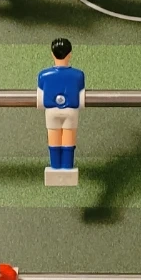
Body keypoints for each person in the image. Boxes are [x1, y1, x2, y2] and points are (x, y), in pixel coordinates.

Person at [37, 37, 85, 185]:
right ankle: (67, 166)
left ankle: (55, 166)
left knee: (54, 139)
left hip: (51, 112)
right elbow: (81, 99)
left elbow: (40, 100)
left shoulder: (43, 75)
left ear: (52, 54)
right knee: (68, 140)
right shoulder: (78, 75)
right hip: (71, 111)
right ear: (70, 54)